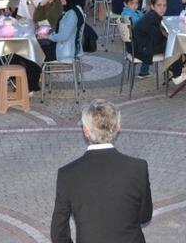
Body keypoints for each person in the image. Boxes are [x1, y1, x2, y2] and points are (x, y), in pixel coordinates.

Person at [51, 99, 152, 243]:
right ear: (118, 127)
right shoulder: (138, 167)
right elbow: (144, 216)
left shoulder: (67, 174)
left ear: (85, 130)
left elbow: (58, 233)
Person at [131, 0, 168, 78]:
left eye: (164, 5)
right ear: (152, 6)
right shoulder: (153, 19)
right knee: (173, 44)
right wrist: (167, 36)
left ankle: (144, 72)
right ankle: (176, 72)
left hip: (134, 46)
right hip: (141, 50)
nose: (162, 8)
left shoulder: (151, 15)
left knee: (162, 40)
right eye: (159, 5)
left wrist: (164, 34)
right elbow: (156, 39)